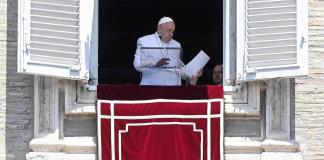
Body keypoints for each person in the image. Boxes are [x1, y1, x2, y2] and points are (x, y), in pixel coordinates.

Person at [133, 17, 188, 86]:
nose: (171, 34)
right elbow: (137, 64)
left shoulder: (177, 44)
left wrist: (191, 73)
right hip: (151, 86)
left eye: (173, 31)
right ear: (159, 29)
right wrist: (155, 63)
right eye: (169, 30)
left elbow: (178, 69)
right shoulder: (144, 41)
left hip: (174, 88)